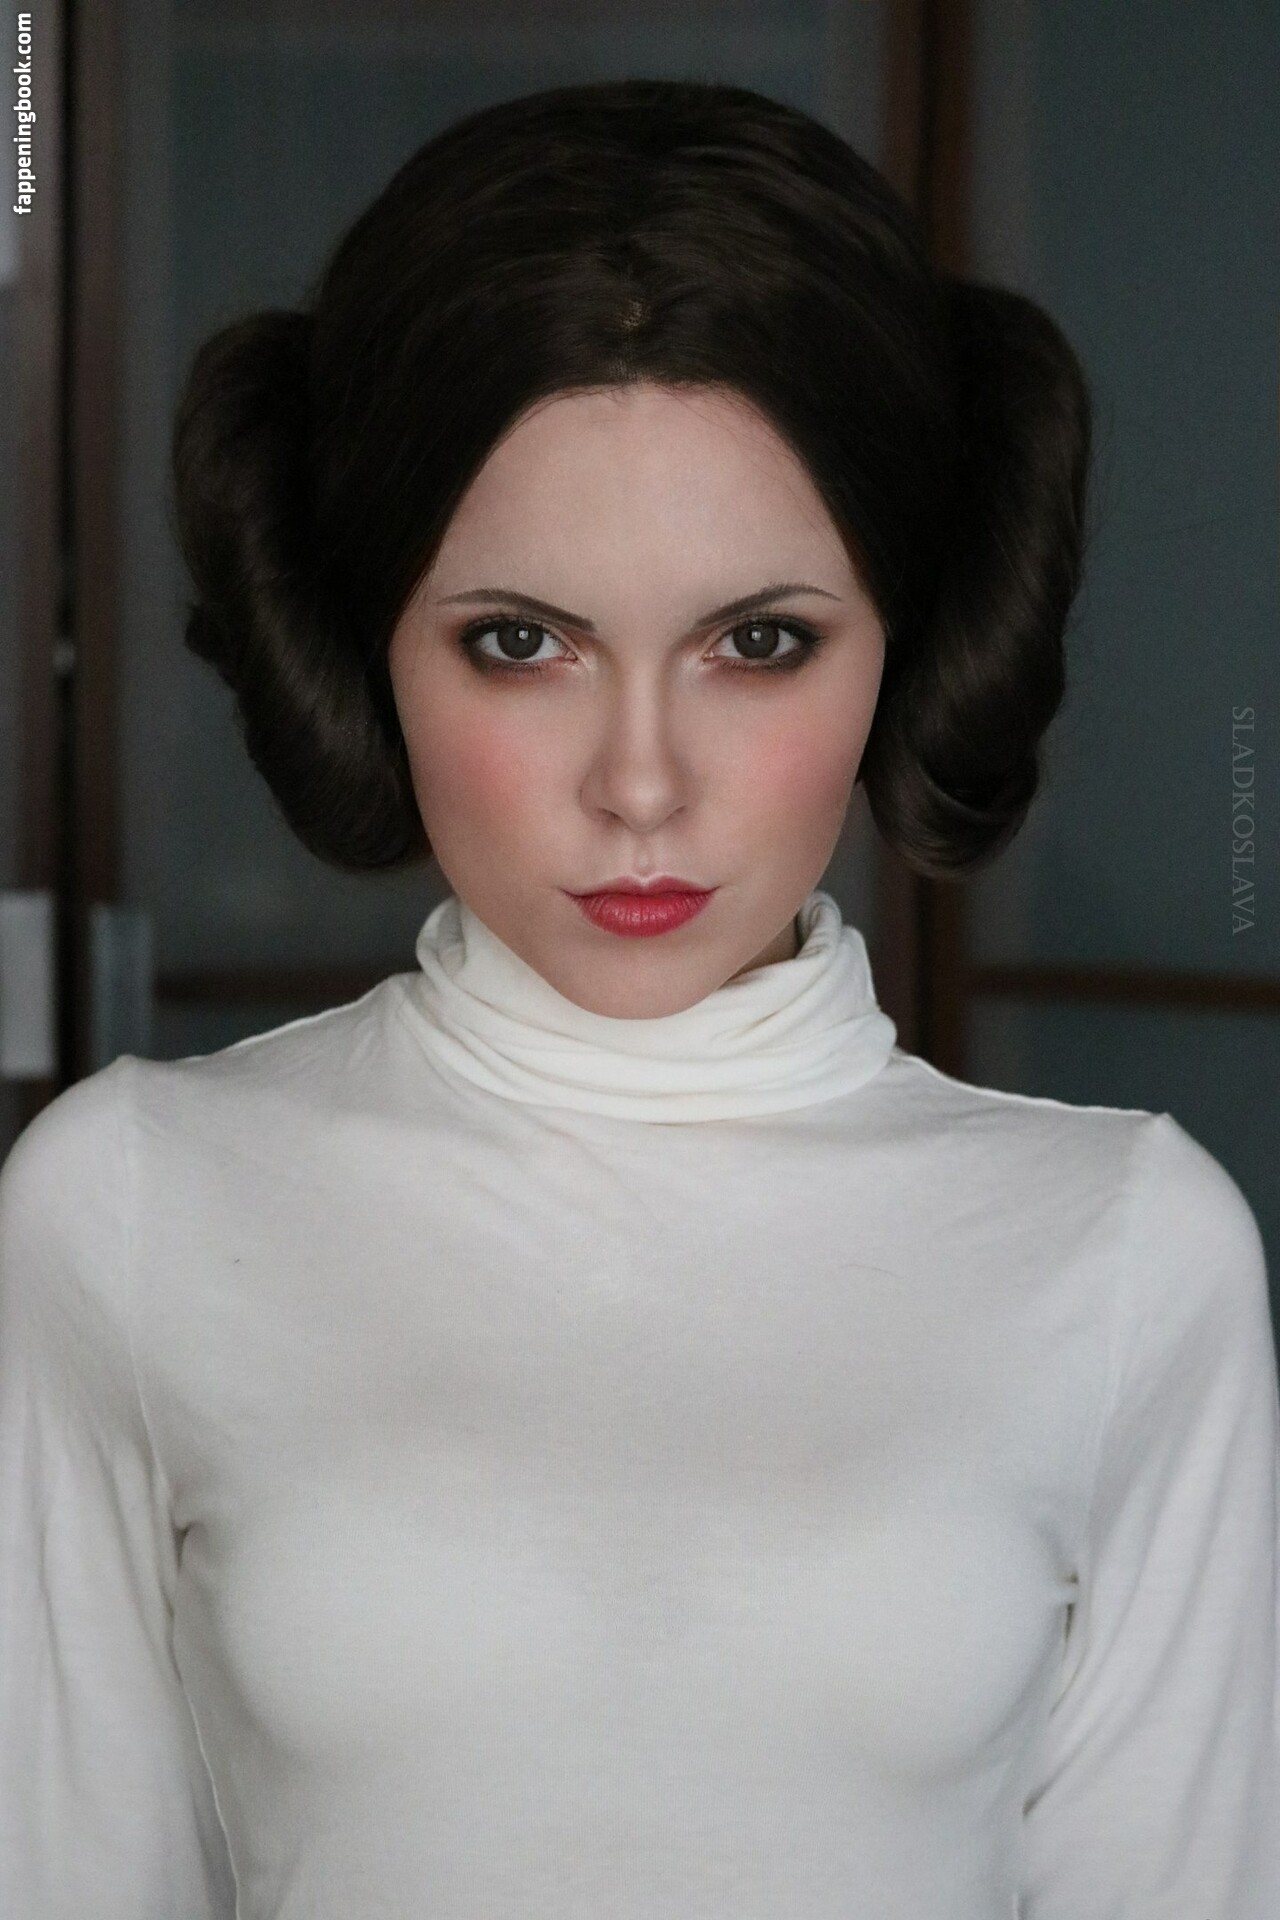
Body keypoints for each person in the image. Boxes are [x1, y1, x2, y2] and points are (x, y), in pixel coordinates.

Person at [1, 76, 1276, 1920]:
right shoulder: (124, 1203)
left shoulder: (1133, 1250)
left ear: (909, 640)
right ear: (369, 643)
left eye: (760, 641)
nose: (642, 784)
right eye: (521, 642)